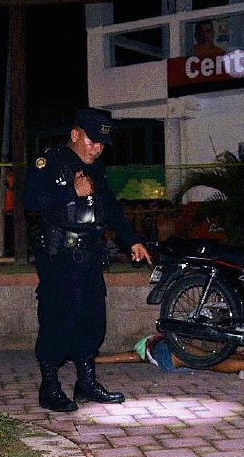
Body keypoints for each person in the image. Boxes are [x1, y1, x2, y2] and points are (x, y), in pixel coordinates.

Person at [24, 108, 151, 412]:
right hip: (59, 254)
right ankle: (50, 386)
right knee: (58, 317)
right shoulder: (49, 161)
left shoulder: (97, 168)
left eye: (102, 144)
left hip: (91, 253)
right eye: (92, 141)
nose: (97, 149)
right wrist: (71, 192)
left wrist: (132, 240)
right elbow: (31, 201)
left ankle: (86, 383)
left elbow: (110, 207)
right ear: (75, 134)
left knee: (92, 319)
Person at [98, 334, 244, 381]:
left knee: (212, 361)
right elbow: (121, 358)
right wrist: (92, 360)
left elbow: (120, 358)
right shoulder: (156, 343)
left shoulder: (144, 352)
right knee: (211, 359)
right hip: (171, 352)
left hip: (172, 361)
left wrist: (93, 360)